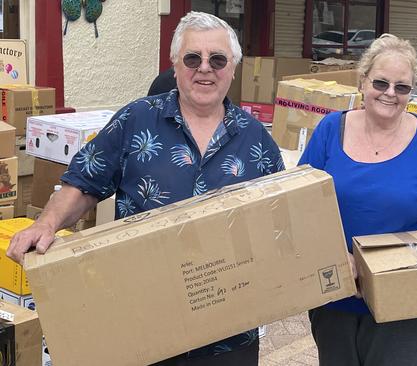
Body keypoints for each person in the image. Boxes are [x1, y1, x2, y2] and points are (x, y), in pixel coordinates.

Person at [8, 11, 283, 366]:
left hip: (228, 335)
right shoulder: (136, 120)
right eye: (192, 58)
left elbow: (279, 217)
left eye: (217, 59)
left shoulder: (256, 138)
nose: (205, 68)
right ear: (174, 64)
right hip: (143, 324)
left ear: (233, 67)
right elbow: (83, 182)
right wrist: (46, 224)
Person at [298, 33, 417, 366]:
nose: (390, 94)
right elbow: (300, 208)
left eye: (401, 87)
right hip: (337, 300)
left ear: (411, 92)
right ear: (362, 81)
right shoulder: (331, 130)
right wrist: (330, 255)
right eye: (381, 83)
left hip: (410, 301)